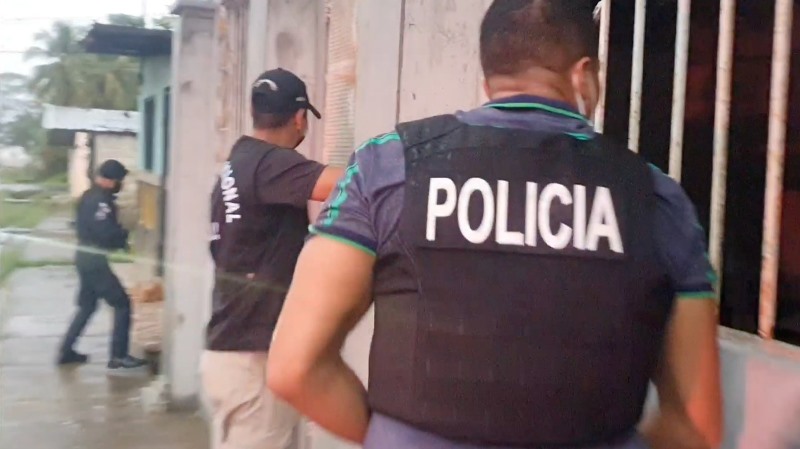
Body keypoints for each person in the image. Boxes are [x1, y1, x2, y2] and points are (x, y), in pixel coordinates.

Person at [267, 2, 722, 449]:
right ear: (584, 75)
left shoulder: (389, 164)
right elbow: (696, 426)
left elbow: (294, 369)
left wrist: (389, 438)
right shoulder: (656, 197)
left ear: (487, 81)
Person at [202, 68, 343, 449]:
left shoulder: (237, 165)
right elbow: (343, 183)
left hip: (233, 350)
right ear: (299, 118)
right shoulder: (269, 163)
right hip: (251, 360)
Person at [58, 159, 147, 372]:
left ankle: (66, 351)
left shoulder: (89, 196)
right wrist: (123, 236)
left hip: (84, 257)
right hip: (94, 262)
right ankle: (119, 356)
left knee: (87, 307)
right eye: (119, 180)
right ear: (109, 180)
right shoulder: (101, 201)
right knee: (122, 303)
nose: (120, 185)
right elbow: (104, 232)